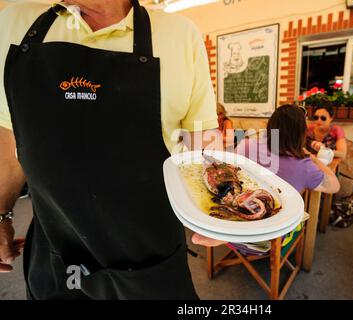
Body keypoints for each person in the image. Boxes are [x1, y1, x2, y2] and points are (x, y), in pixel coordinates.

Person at [0, 0, 219, 299]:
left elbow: (201, 144)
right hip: (56, 257)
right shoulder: (13, 22)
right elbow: (8, 145)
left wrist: (214, 212)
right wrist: (0, 215)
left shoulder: (180, 34)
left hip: (150, 259)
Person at [193, 104, 340, 247]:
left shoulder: (246, 145)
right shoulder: (305, 166)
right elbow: (334, 186)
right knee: (298, 218)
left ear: (270, 127)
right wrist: (311, 156)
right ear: (301, 134)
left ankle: (230, 235)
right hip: (270, 238)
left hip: (230, 224)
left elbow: (228, 171)